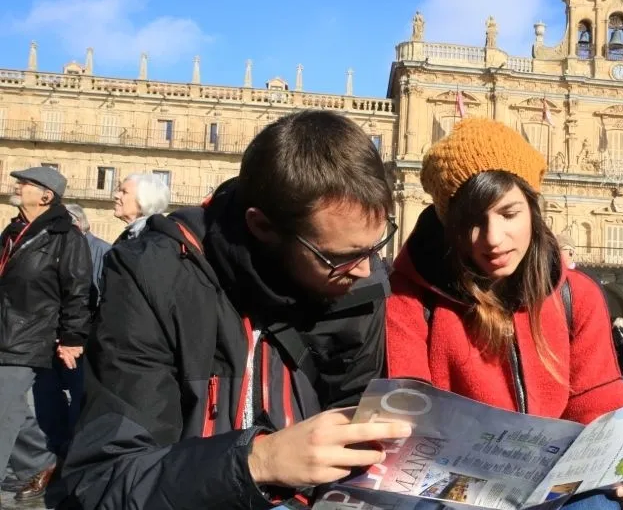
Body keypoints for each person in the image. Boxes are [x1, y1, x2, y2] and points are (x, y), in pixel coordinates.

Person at [59, 110, 412, 509]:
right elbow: (103, 480)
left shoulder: (360, 284)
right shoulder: (153, 276)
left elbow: (358, 437)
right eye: (338, 257)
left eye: (375, 247)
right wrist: (257, 461)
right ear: (262, 227)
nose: (365, 269)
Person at [385, 118, 623, 510]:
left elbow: (598, 411)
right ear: (447, 224)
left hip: (553, 492)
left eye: (509, 213)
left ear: (533, 207)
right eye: (471, 221)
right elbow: (406, 422)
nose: (492, 239)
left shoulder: (577, 296)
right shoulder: (410, 299)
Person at [0, 166, 92, 503]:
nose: (17, 186)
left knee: (2, 410)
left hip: (30, 334)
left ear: (45, 195)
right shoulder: (14, 231)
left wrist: (72, 338)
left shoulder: (65, 236)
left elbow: (78, 290)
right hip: (6, 330)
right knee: (18, 415)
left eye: (24, 183)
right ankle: (42, 465)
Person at [112, 172, 171, 242]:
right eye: (119, 191)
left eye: (124, 192)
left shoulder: (154, 241)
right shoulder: (129, 236)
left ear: (143, 201)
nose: (116, 195)